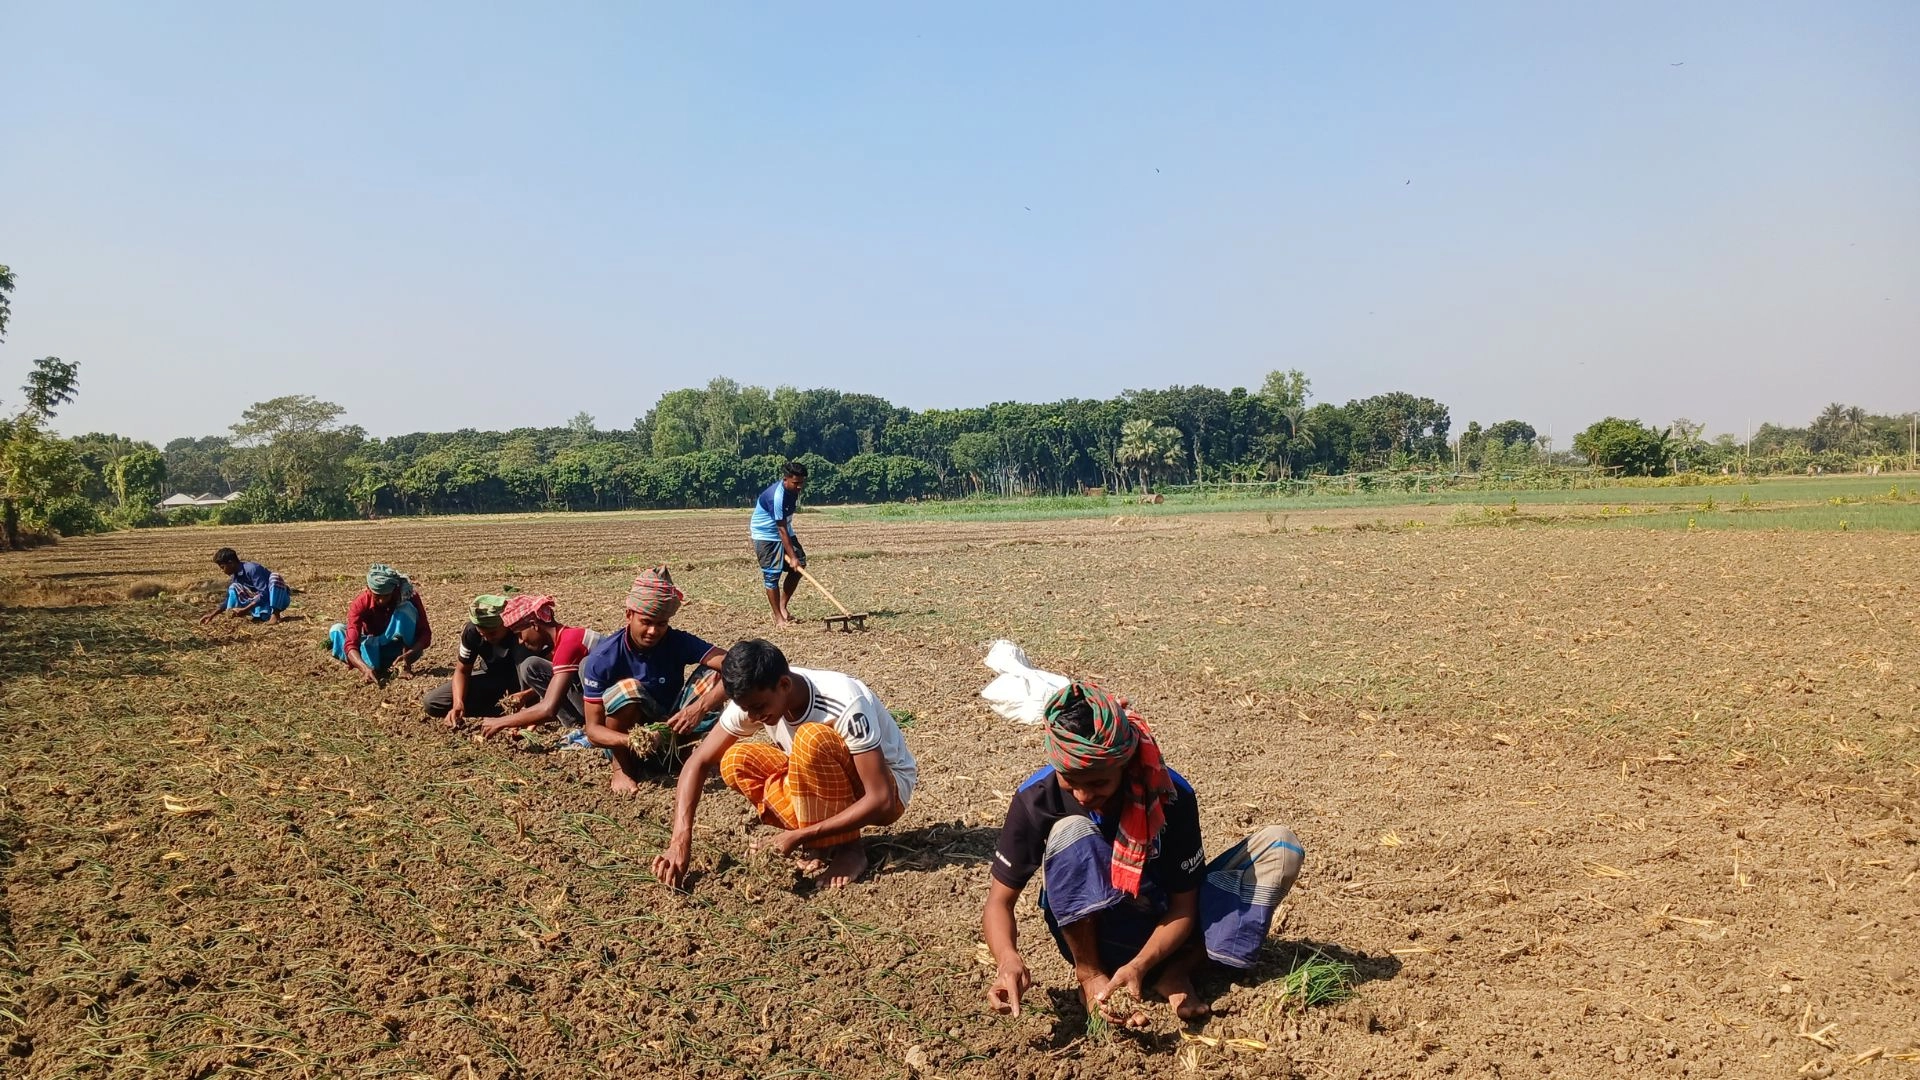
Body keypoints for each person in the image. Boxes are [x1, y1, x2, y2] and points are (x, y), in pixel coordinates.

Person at [982, 682, 1305, 1029]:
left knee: (1279, 847)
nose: (1083, 794)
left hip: (1168, 928)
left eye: (1098, 783)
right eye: (1070, 779)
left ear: (1124, 763)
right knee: (1069, 831)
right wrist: (1008, 959)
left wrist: (1140, 965)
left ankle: (1175, 973)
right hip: (1097, 930)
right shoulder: (1037, 799)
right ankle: (1091, 978)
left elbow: (1185, 906)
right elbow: (999, 902)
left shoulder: (1170, 794)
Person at [653, 638, 918, 891]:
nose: (754, 716)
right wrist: (680, 840)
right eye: (747, 710)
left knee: (811, 739)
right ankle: (823, 842)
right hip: (821, 779)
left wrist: (798, 836)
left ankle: (849, 849)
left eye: (759, 707)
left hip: (888, 788)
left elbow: (881, 798)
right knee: (736, 760)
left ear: (784, 684)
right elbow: (697, 762)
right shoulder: (753, 699)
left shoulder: (844, 701)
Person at [579, 568, 729, 792]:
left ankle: (684, 754)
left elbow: (733, 664)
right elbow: (593, 730)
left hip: (671, 726)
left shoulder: (677, 641)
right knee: (626, 689)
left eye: (661, 624)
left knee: (717, 674)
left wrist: (700, 707)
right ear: (629, 615)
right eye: (646, 622)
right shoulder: (603, 658)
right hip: (629, 740)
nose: (653, 631)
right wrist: (636, 740)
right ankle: (623, 768)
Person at [476, 594, 603, 740]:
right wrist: (526, 723)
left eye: (520, 634)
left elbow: (549, 708)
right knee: (531, 667)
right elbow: (553, 693)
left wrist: (499, 722)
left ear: (534, 625)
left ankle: (594, 728)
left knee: (584, 666)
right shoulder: (564, 640)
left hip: (612, 705)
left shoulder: (569, 644)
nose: (521, 641)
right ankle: (576, 724)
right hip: (596, 696)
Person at [421, 595, 535, 729]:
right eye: (482, 634)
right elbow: (462, 670)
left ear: (506, 623)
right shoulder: (471, 632)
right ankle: (503, 713)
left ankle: (529, 715)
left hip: (524, 685)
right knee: (433, 702)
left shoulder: (523, 633)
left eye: (492, 633)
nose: (487, 639)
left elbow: (550, 676)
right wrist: (458, 703)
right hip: (492, 679)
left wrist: (527, 696)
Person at [327, 564, 432, 684]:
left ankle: (404, 666)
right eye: (377, 596)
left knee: (406, 609)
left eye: (386, 596)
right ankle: (369, 667)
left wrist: (409, 655)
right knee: (337, 630)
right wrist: (364, 668)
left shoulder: (407, 595)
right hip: (371, 648)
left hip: (397, 651)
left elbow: (425, 634)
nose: (382, 600)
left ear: (394, 589)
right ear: (368, 589)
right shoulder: (360, 603)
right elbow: (351, 642)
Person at [750, 460, 808, 626]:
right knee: (772, 575)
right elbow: (780, 528)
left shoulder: (793, 491)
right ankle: (778, 617)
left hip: (785, 530)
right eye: (796, 483)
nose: (799, 487)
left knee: (800, 565)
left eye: (802, 483)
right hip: (766, 535)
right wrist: (791, 556)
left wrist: (796, 558)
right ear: (786, 479)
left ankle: (783, 606)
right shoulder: (776, 497)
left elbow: (785, 527)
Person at [201, 548, 290, 624]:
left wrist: (245, 609)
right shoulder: (235, 577)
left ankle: (275, 614)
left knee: (275, 577)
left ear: (231, 563)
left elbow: (265, 592)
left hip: (278, 598)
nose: (222, 571)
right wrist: (212, 615)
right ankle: (231, 616)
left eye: (223, 567)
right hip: (261, 602)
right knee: (234, 587)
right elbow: (228, 599)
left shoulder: (252, 569)